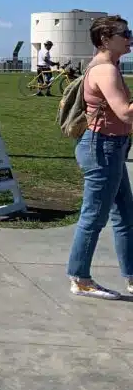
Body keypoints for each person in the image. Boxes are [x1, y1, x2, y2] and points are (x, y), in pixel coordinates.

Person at [66, 15, 133, 300]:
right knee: (94, 217)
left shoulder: (108, 66)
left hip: (111, 146)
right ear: (105, 39)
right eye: (125, 33)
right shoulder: (106, 70)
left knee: (125, 215)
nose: (130, 37)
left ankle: (131, 275)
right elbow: (125, 112)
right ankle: (80, 278)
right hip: (102, 148)